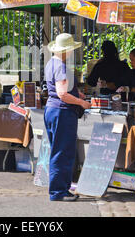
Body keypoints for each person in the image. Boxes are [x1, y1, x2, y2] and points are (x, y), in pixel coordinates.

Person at [44, 33, 91, 202]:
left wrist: (75, 93)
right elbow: (62, 93)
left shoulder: (52, 63)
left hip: (53, 110)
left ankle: (60, 189)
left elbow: (59, 89)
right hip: (62, 112)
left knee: (58, 150)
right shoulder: (62, 67)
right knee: (62, 152)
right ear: (67, 50)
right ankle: (59, 191)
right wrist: (81, 102)